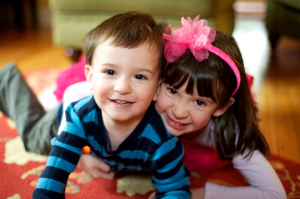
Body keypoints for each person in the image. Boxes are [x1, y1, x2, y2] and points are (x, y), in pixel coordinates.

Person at [64, 16, 286, 199]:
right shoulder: (134, 94)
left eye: (200, 102)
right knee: (40, 135)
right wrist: (79, 156)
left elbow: (274, 194)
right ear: (158, 82)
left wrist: (197, 194)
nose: (179, 112)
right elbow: (73, 93)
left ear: (221, 107)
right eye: (172, 91)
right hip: (98, 122)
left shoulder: (227, 133)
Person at [31, 12, 191, 199]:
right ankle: (21, 85)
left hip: (116, 148)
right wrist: (79, 159)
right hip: (60, 119)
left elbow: (176, 190)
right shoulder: (79, 116)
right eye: (110, 71)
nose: (122, 87)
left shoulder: (163, 139)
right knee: (35, 139)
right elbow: (55, 169)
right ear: (90, 77)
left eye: (139, 76)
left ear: (157, 88)